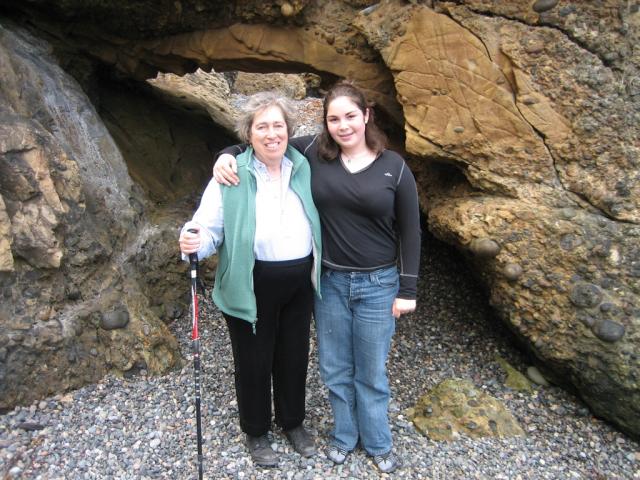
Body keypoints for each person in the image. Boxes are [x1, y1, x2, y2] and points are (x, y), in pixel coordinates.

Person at [214, 81, 421, 474]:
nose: (343, 126)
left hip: (379, 284)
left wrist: (408, 287)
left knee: (371, 370)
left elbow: (411, 231)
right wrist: (225, 154)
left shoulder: (394, 166)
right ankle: (344, 437)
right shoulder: (314, 153)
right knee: (335, 368)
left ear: (367, 116)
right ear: (324, 124)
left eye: (350, 117)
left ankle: (377, 442)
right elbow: (263, 143)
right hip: (328, 282)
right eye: (333, 119)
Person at [179, 92, 323, 467]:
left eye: (278, 126)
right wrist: (193, 238)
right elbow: (208, 228)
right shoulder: (231, 173)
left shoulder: (304, 166)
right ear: (249, 133)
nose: (272, 134)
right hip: (251, 280)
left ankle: (293, 422)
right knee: (254, 361)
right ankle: (256, 431)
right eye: (263, 127)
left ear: (290, 131)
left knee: (293, 356)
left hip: (299, 281)